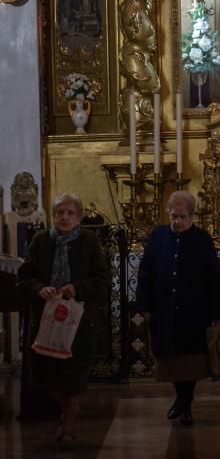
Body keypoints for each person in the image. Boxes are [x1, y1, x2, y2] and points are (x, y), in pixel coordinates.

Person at [16, 192, 109, 449]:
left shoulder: (89, 242)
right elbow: (24, 277)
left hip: (77, 321)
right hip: (45, 319)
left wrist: (77, 288)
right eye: (59, 212)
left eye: (70, 213)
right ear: (53, 215)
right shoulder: (41, 240)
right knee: (46, 374)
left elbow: (102, 282)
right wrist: (38, 288)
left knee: (73, 374)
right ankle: (69, 412)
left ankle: (68, 425)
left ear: (79, 217)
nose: (64, 217)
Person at [135, 190, 220, 425]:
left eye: (183, 217)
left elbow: (214, 278)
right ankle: (182, 399)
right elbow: (145, 272)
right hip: (164, 309)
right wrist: (144, 304)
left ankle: (184, 404)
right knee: (172, 358)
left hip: (194, 311)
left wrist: (218, 312)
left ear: (192, 216)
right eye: (174, 216)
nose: (178, 222)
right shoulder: (157, 236)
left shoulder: (202, 239)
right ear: (168, 213)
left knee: (191, 360)